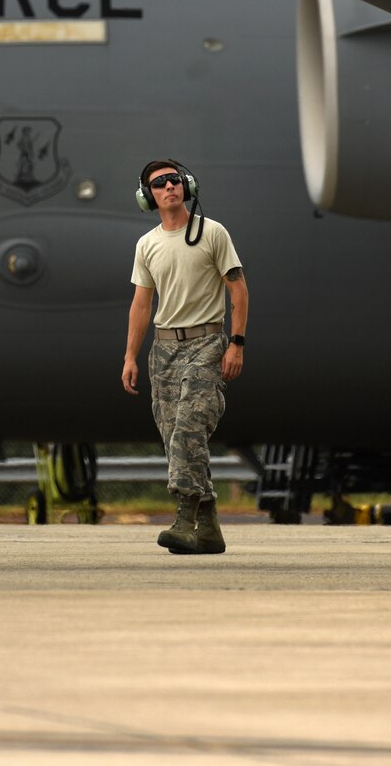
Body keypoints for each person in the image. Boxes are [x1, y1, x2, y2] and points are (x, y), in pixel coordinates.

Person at [121, 159, 247, 554]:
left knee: (190, 427)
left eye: (175, 180)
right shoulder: (147, 245)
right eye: (159, 183)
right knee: (176, 436)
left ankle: (184, 518)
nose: (169, 186)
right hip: (164, 351)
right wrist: (130, 357)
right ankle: (209, 529)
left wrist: (237, 343)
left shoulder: (212, 233)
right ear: (148, 196)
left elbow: (238, 290)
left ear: (187, 186)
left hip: (207, 344)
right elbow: (141, 305)